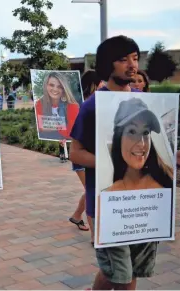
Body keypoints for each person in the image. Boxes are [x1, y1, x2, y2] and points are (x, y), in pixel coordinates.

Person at [70, 35, 158, 290]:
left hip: (143, 202)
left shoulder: (144, 100)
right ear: (109, 65)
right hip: (106, 204)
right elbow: (75, 153)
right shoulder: (93, 105)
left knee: (125, 270)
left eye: (135, 58)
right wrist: (110, 162)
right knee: (121, 274)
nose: (132, 65)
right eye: (123, 60)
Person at [105, 98, 173, 194]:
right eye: (132, 131)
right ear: (118, 138)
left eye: (145, 132)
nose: (142, 143)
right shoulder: (109, 195)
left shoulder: (169, 176)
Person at [68, 70, 104, 240]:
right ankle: (93, 235)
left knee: (90, 189)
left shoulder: (96, 102)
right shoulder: (85, 105)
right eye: (101, 82)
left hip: (92, 154)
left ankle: (76, 216)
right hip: (83, 156)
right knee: (92, 191)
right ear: (94, 84)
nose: (104, 85)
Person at [35, 72, 80, 140]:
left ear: (64, 89)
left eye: (59, 87)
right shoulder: (39, 103)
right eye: (51, 85)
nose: (55, 89)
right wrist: (61, 125)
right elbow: (40, 127)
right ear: (46, 86)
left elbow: (71, 133)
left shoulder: (72, 105)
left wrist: (49, 126)